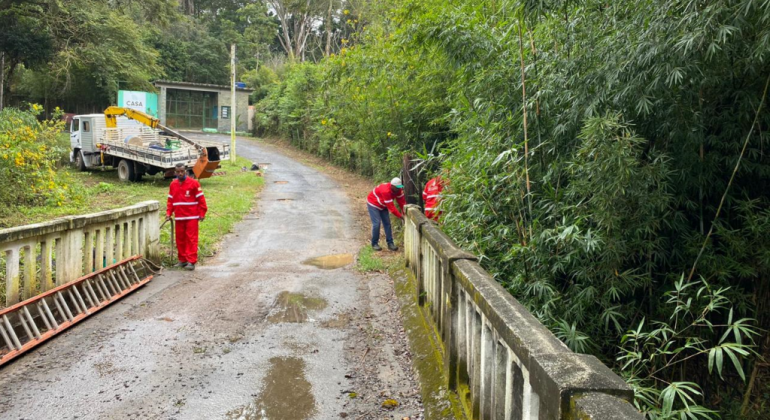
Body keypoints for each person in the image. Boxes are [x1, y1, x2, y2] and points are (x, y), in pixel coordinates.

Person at [166, 163, 207, 270]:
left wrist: (202, 213)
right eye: (178, 172)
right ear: (175, 172)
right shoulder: (173, 184)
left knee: (191, 239)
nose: (180, 173)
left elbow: (201, 200)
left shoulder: (194, 183)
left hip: (192, 217)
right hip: (179, 217)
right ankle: (182, 260)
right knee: (180, 239)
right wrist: (168, 213)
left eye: (182, 171)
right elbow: (170, 200)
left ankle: (191, 261)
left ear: (186, 171)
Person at [367, 177, 406, 251]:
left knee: (387, 223)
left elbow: (402, 202)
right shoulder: (385, 191)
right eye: (397, 188)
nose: (398, 189)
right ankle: (374, 243)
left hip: (383, 205)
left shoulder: (399, 190)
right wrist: (401, 216)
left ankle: (390, 243)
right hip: (373, 204)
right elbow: (391, 208)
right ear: (392, 186)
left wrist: (404, 213)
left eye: (399, 187)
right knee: (377, 223)